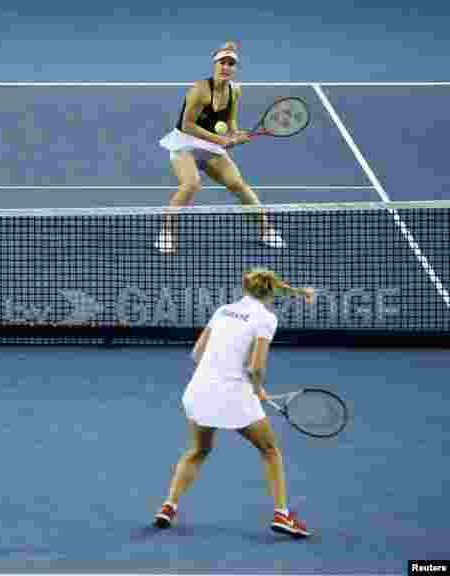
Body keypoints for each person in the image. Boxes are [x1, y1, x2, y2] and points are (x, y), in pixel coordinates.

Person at [153, 268, 316, 537]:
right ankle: (282, 515)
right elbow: (256, 368)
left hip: (198, 392)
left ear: (245, 287)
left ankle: (168, 507)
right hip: (234, 398)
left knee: (198, 450)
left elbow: (196, 353)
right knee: (270, 450)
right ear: (271, 290)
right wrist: (257, 389)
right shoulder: (266, 319)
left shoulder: (223, 311)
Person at [156, 41, 284, 254]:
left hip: (211, 144)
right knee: (191, 183)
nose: (226, 67)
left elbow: (231, 122)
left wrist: (236, 134)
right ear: (214, 65)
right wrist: (221, 141)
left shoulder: (235, 91)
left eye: (231, 64)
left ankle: (266, 230)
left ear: (235, 69)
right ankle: (166, 232)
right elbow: (187, 125)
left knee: (238, 184)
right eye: (222, 63)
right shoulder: (200, 90)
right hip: (185, 142)